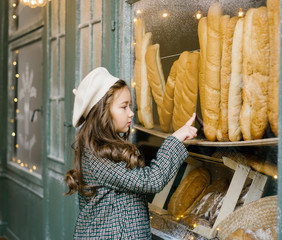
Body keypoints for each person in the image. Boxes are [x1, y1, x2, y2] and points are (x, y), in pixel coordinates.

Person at [64, 67, 197, 239]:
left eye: (130, 106)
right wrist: (175, 140)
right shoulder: (97, 156)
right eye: (124, 107)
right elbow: (151, 181)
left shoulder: (102, 149)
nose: (131, 113)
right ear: (102, 113)